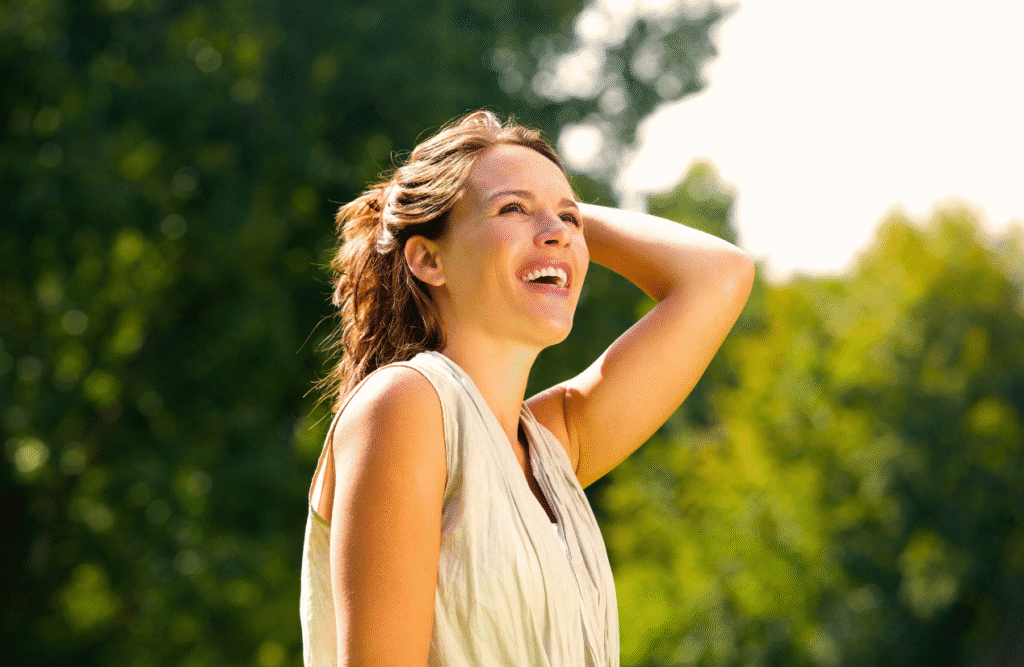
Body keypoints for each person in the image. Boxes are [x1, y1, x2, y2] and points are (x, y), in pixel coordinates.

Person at [299, 110, 754, 667]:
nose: (558, 231)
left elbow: (719, 275)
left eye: (569, 217)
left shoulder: (551, 449)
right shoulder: (405, 404)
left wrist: (548, 219)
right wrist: (538, 218)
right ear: (428, 258)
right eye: (510, 208)